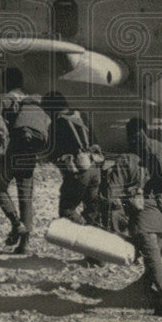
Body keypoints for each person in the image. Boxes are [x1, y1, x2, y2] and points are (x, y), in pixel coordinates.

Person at [102, 117, 162, 317]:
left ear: (129, 137)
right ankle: (139, 292)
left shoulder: (126, 160)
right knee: (153, 262)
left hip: (145, 220)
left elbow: (111, 194)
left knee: (153, 263)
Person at [0, 67, 50, 254]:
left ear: (4, 82)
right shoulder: (32, 100)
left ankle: (15, 222)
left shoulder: (5, 98)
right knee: (25, 197)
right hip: (30, 152)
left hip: (12, 152)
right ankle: (24, 244)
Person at [43, 91, 103, 228]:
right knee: (92, 210)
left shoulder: (57, 124)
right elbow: (95, 141)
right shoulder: (82, 116)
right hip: (95, 168)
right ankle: (95, 238)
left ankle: (85, 233)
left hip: (80, 172)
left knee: (67, 210)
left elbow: (51, 152)